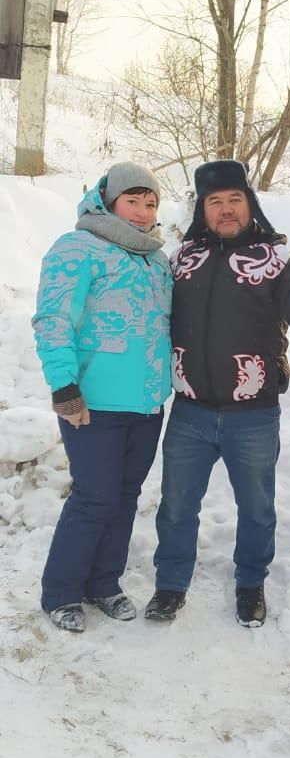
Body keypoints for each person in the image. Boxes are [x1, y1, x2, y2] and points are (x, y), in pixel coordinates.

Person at [146, 158, 290, 628]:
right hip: (189, 411)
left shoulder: (276, 260)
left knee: (256, 508)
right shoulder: (181, 260)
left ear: (250, 205)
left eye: (235, 200)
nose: (226, 210)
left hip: (253, 414)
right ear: (201, 209)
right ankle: (170, 585)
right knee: (176, 506)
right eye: (215, 202)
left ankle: (250, 584)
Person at [32, 162, 173, 632]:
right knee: (93, 497)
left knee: (126, 495)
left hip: (147, 402)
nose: (142, 211)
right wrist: (64, 387)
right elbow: (53, 321)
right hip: (94, 403)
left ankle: (103, 583)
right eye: (133, 200)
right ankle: (61, 592)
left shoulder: (156, 258)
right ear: (109, 200)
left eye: (151, 204)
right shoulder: (78, 248)